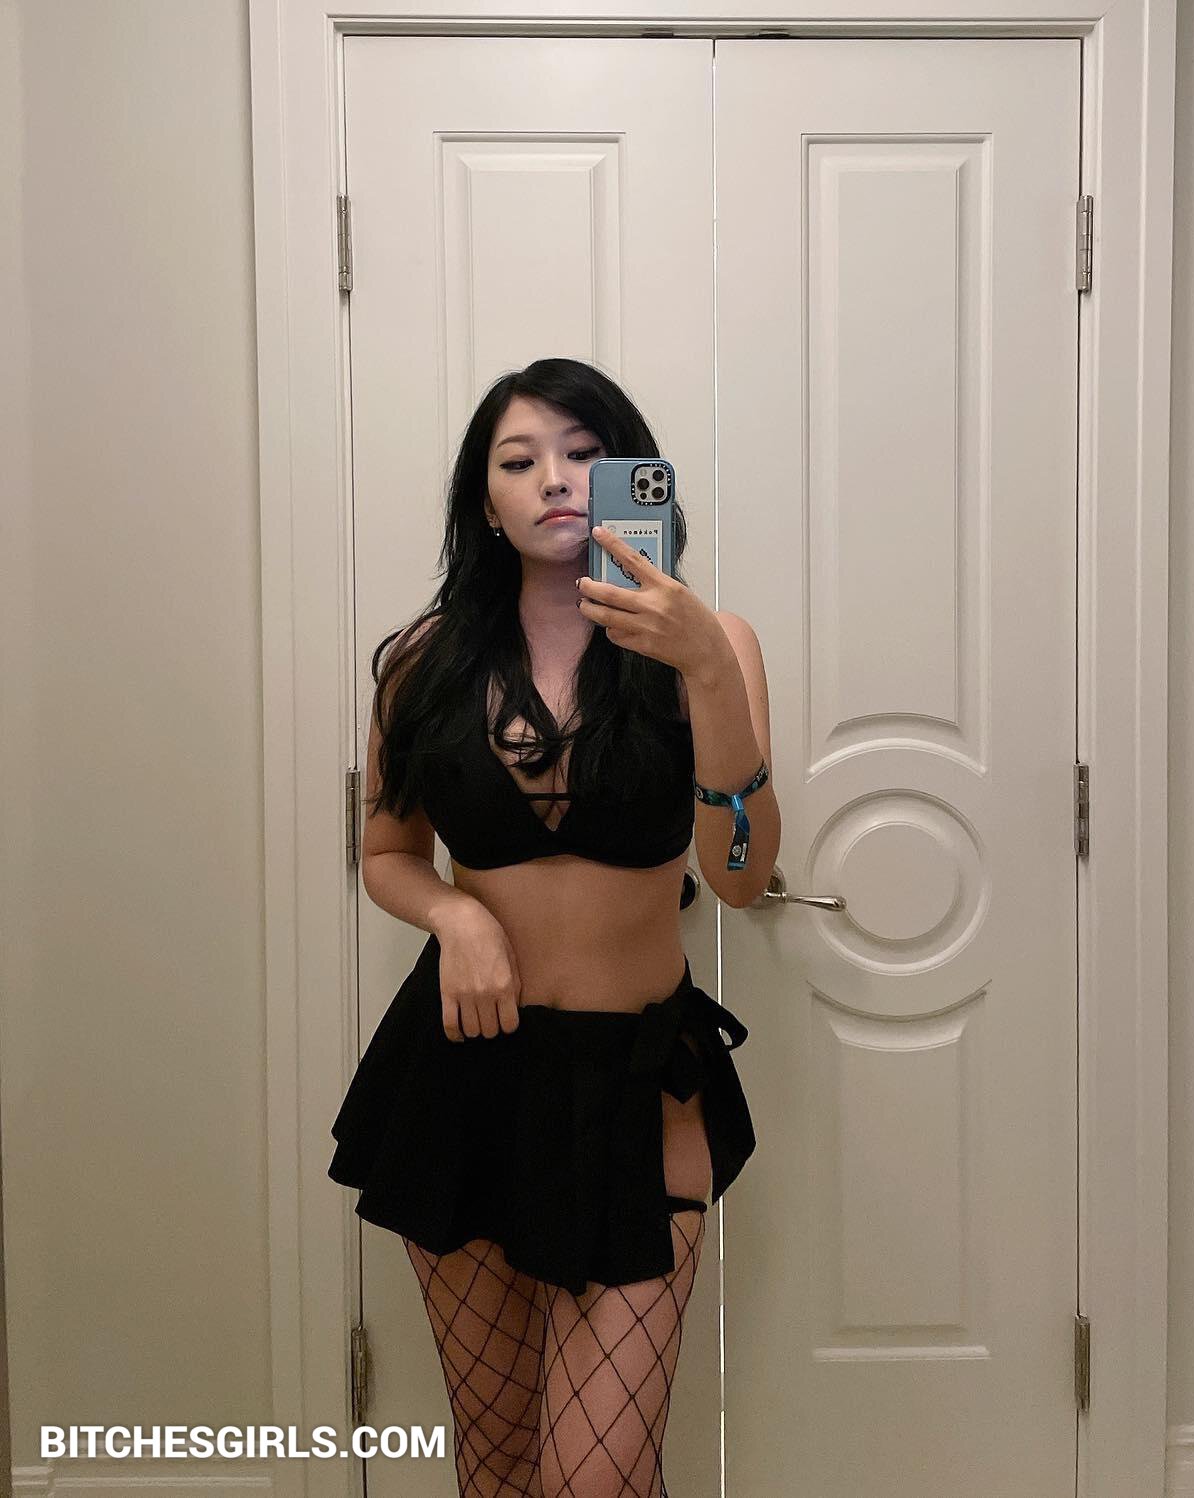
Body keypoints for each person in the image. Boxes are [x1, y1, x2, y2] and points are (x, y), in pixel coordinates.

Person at [327, 357, 779, 1498]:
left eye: (584, 454)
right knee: (498, 1464)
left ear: (634, 477)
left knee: (598, 1475)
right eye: (519, 460)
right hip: (464, 1076)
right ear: (486, 502)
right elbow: (386, 855)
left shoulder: (713, 646)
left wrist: (705, 668)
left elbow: (741, 876)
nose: (556, 480)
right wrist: (455, 914)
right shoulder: (425, 664)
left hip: (639, 1085)